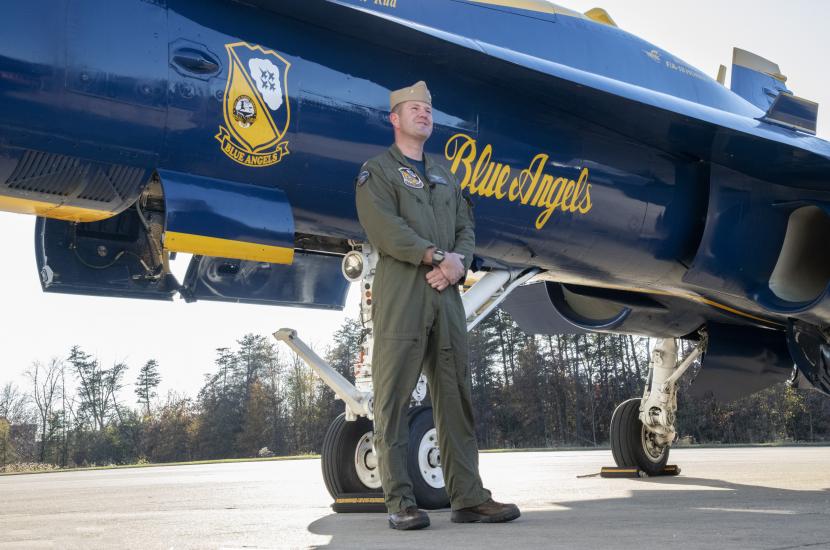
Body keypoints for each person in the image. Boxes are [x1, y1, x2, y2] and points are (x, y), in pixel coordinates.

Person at [355, 81, 521, 530]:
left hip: (447, 295)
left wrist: (457, 264)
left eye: (428, 108)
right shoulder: (378, 172)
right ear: (395, 118)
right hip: (403, 294)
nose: (424, 114)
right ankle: (399, 501)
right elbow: (383, 229)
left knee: (456, 396)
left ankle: (467, 497)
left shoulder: (445, 174)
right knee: (392, 398)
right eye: (414, 108)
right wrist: (434, 256)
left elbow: (466, 226)